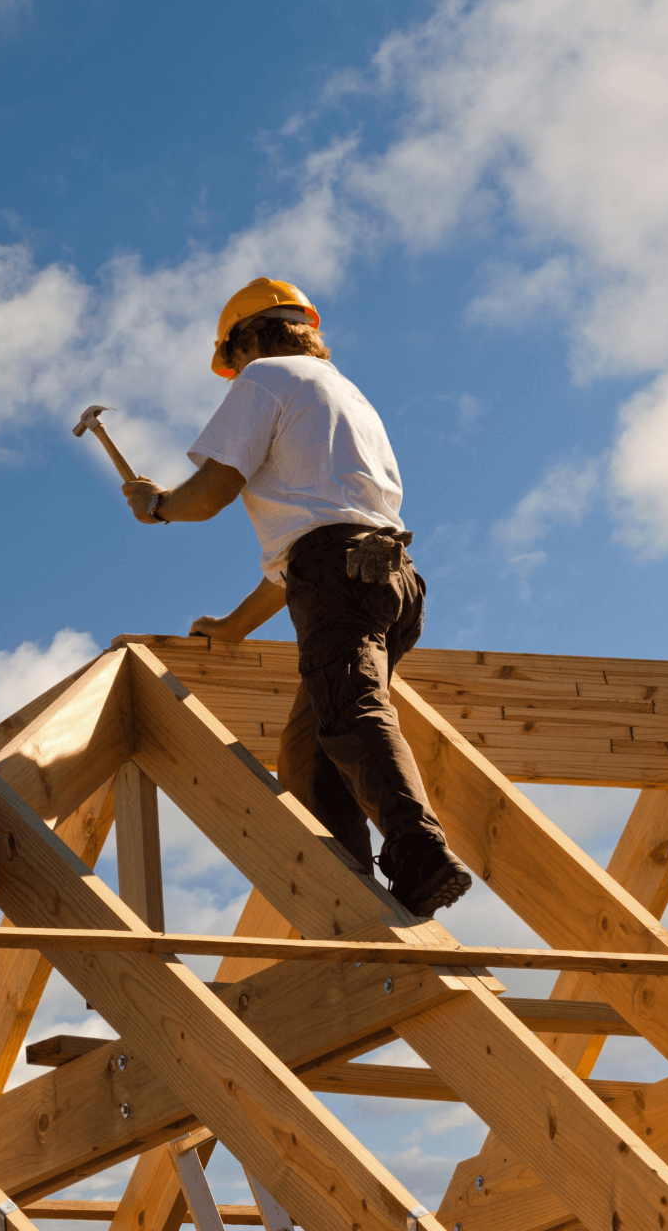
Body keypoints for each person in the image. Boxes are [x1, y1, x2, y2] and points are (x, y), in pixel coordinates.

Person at [120, 278, 472, 916]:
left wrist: (160, 506)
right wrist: (233, 628)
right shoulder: (346, 396)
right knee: (309, 752)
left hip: (338, 573)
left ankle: (417, 847)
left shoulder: (265, 379)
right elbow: (305, 551)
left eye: (236, 355)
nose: (235, 372)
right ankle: (350, 895)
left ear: (251, 337)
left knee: (350, 711)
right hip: (391, 577)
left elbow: (215, 491)